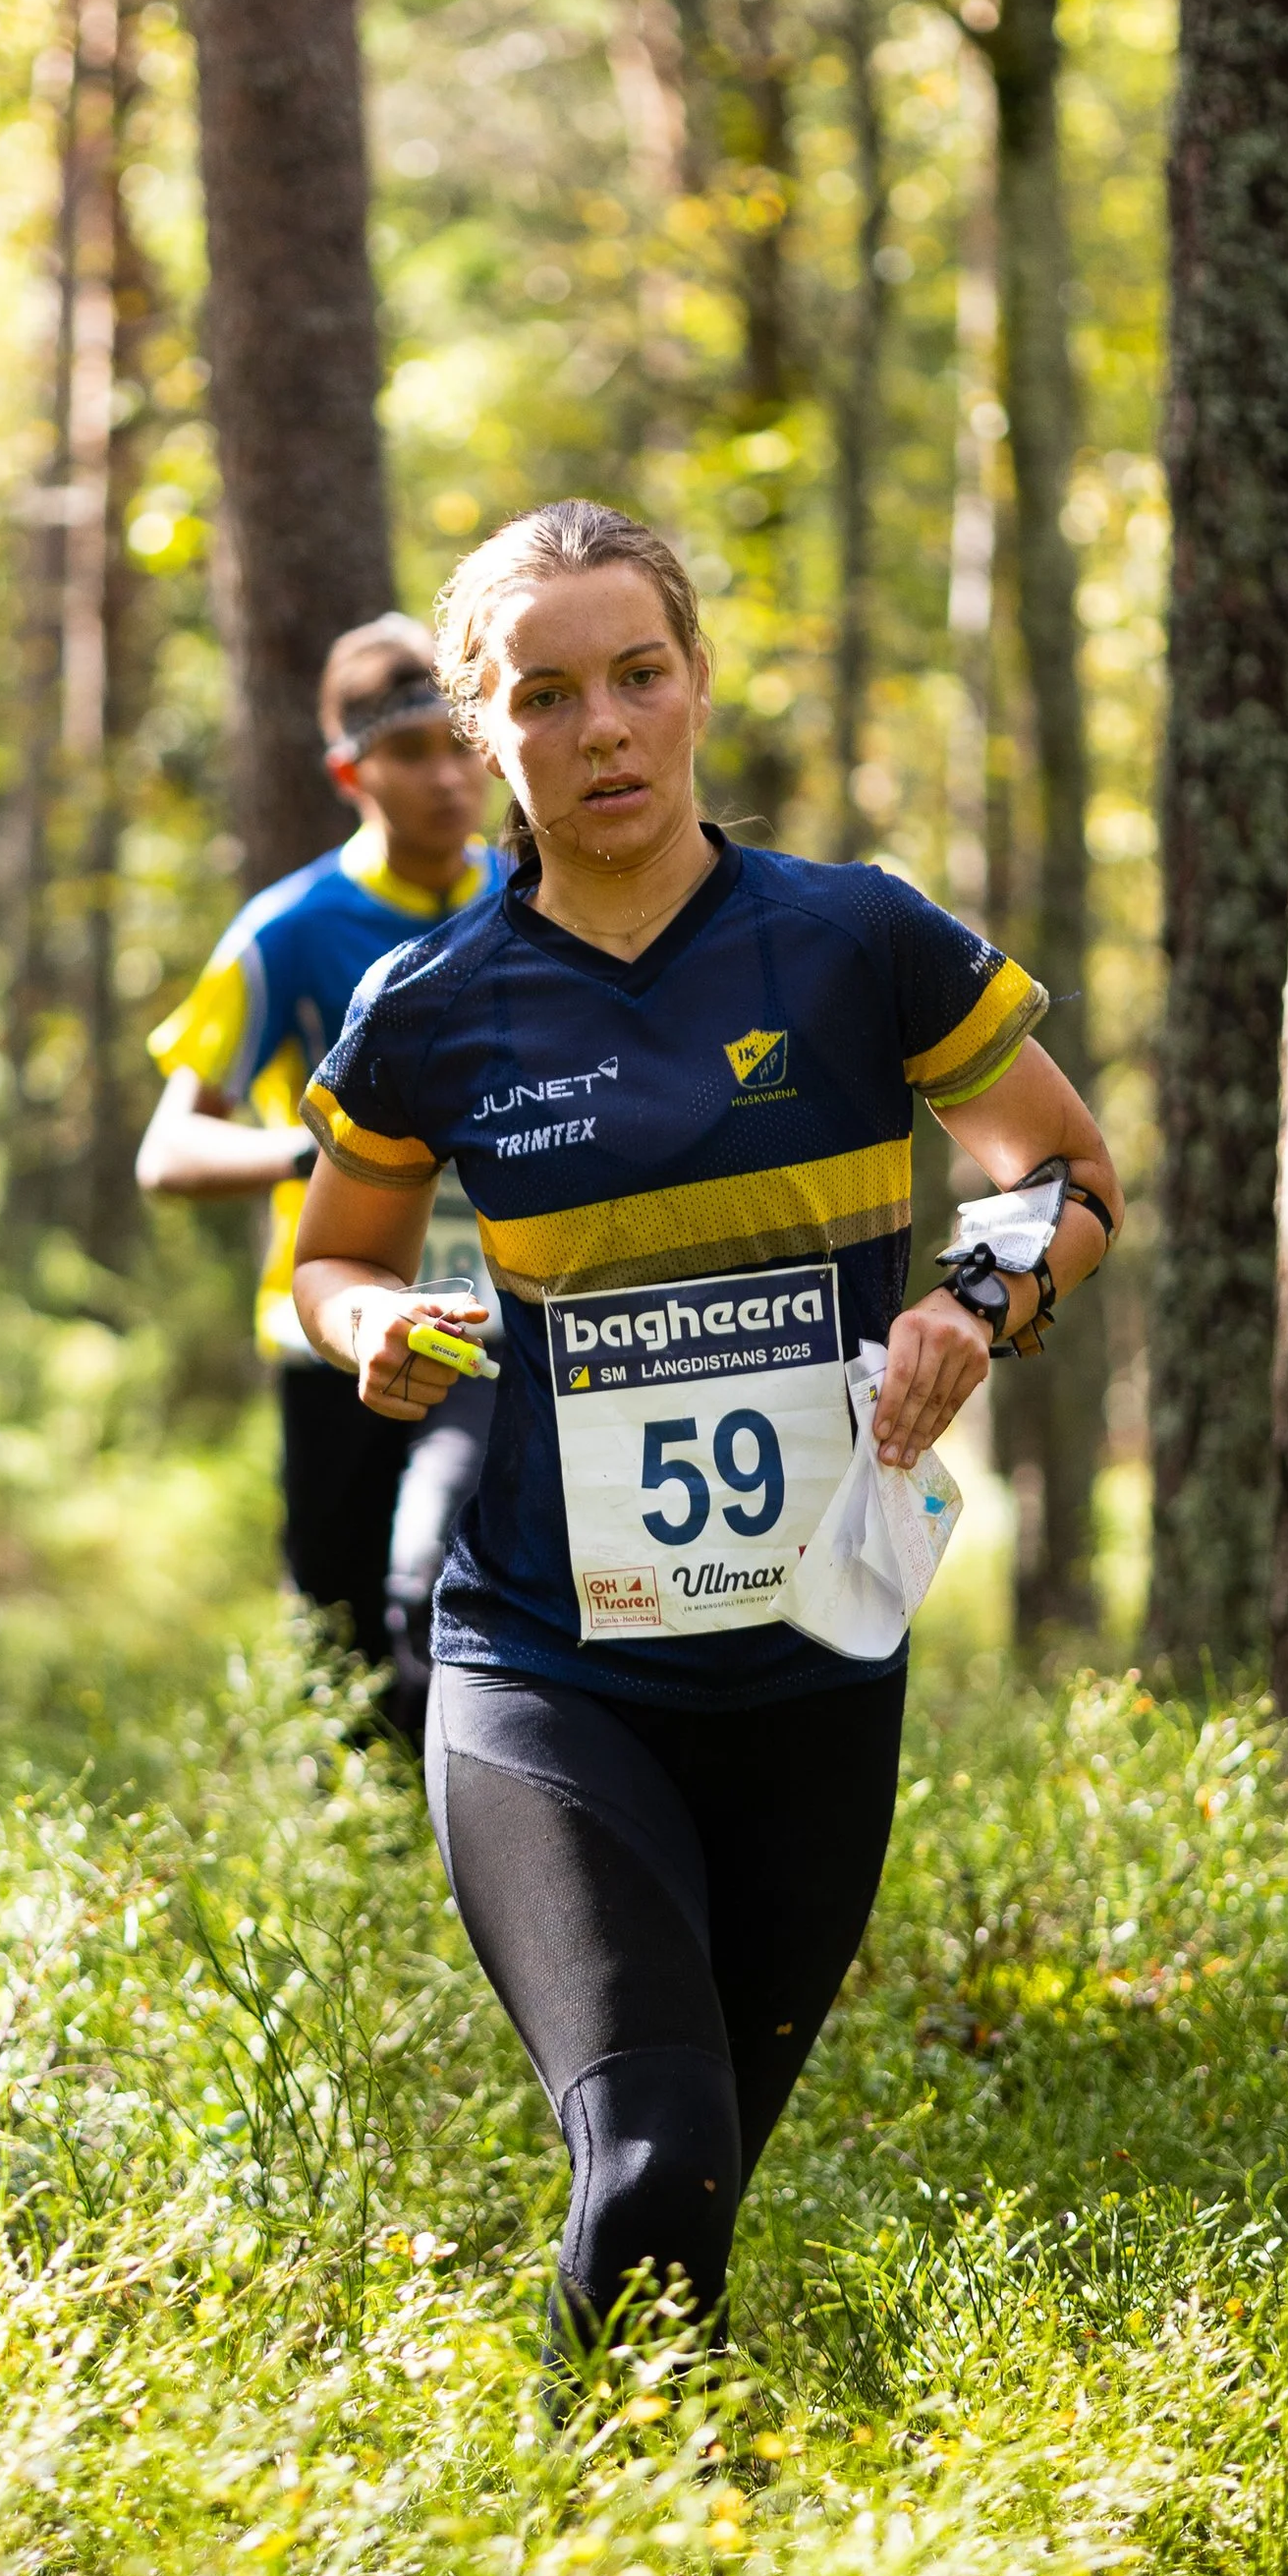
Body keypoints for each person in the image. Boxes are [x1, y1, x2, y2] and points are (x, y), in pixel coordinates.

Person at [291, 502, 1122, 2381]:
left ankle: (679, 2566)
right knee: (652, 2160)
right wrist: (379, 1327)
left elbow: (1062, 1173)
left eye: (638, 676)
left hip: (816, 1651)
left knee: (702, 2173)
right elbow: (330, 1263)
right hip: (545, 1661)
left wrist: (970, 1308)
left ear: (697, 686)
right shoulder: (429, 1010)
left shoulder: (857, 942)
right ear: (485, 732)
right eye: (550, 694)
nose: (604, 729)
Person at [139, 615, 501, 1748]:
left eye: (460, 742)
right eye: (409, 754)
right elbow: (169, 1152)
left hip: (497, 1318)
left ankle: (474, 1832)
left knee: (438, 1575)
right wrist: (334, 1156)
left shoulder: (536, 901)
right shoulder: (288, 930)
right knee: (340, 1631)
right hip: (331, 1322)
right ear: (352, 772)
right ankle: (363, 1865)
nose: (446, 775)